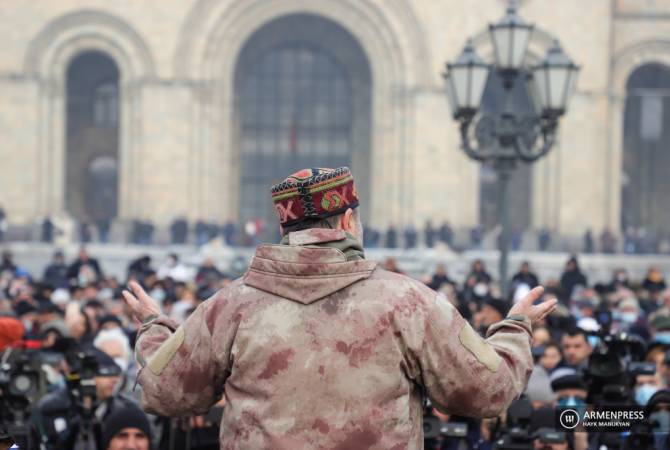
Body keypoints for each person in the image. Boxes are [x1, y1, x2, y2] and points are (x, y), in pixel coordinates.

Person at [123, 167, 557, 449]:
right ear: (349, 223)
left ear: (284, 228)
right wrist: (515, 328)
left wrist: (152, 328)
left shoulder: (230, 306)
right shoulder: (407, 302)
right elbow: (488, 392)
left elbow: (164, 392)